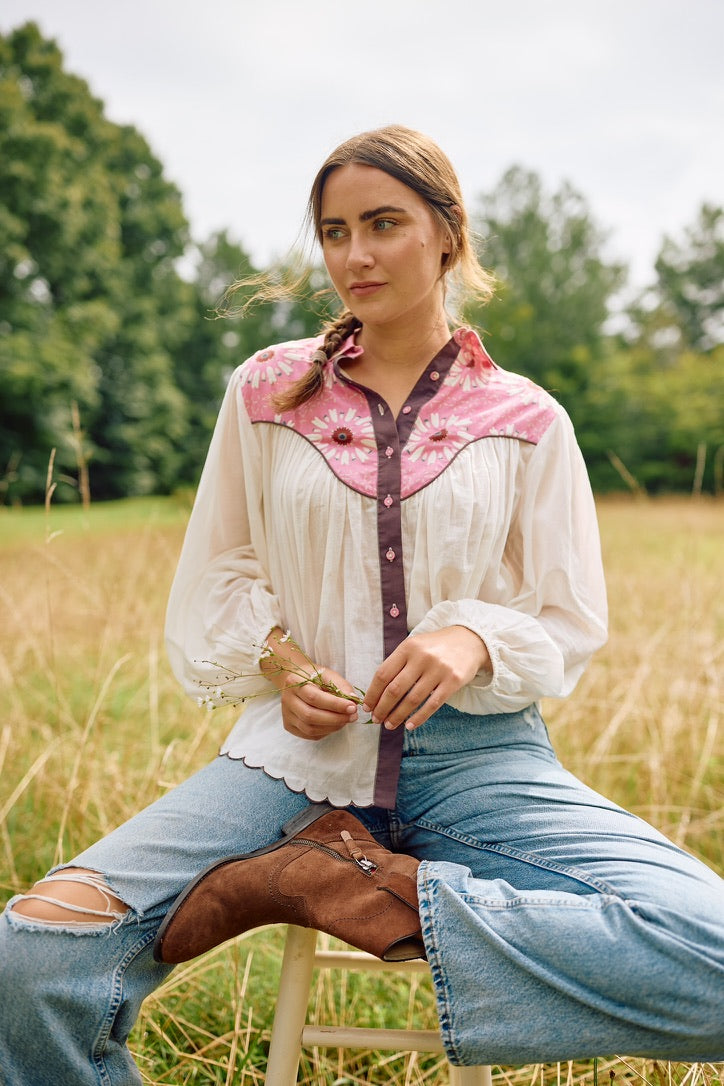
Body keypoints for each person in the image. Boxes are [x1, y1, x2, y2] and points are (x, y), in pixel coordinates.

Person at [1, 125, 722, 1084]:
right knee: (29, 957)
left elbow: (567, 615)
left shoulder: (526, 418)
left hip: (482, 763)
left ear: (448, 235)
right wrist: (284, 667)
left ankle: (383, 888)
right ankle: (311, 865)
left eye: (385, 225)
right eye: (335, 232)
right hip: (288, 769)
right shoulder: (265, 391)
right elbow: (220, 569)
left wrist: (471, 637)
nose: (356, 255)